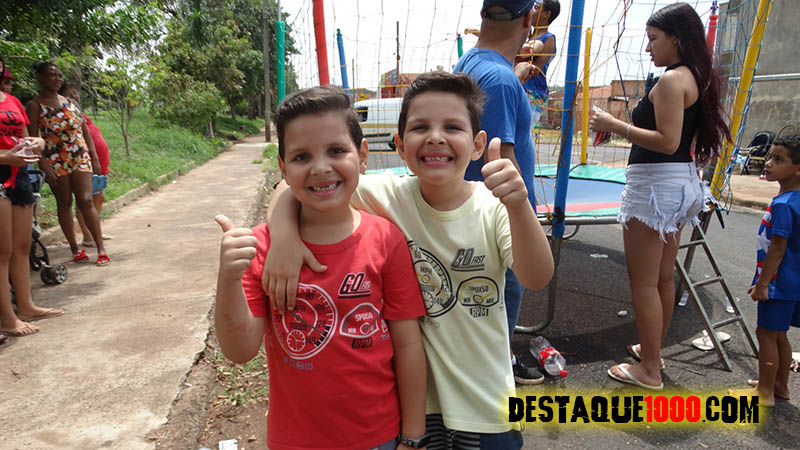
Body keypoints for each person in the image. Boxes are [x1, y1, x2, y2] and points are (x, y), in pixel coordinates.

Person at [264, 72, 553, 449]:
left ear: (478, 144)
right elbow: (288, 187)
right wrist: (284, 237)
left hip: (486, 406)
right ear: (400, 145)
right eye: (420, 127)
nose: (435, 137)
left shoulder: (493, 206)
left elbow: (537, 276)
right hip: (416, 408)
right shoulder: (389, 193)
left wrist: (519, 204)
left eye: (452, 127)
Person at [214, 85, 428, 450]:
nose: (320, 168)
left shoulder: (386, 239)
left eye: (336, 151)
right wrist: (229, 277)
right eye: (301, 157)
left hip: (378, 436)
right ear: (283, 168)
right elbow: (239, 351)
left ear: (362, 155)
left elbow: (407, 344)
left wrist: (413, 435)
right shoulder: (263, 248)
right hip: (295, 440)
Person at [590, 3, 730, 390]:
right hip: (679, 183)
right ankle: (652, 351)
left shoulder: (671, 80)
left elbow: (667, 141)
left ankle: (649, 369)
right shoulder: (694, 77)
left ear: (676, 39)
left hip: (656, 185)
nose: (648, 47)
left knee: (644, 282)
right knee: (663, 277)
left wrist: (614, 124)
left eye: (653, 39)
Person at [453, 0, 544, 385]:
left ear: (483, 15)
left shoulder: (470, 64)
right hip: (500, 224)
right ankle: (495, 381)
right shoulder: (500, 79)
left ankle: (497, 363)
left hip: (473, 218)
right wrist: (527, 220)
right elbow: (502, 160)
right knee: (497, 312)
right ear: (528, 20)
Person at [731, 133, 800, 407]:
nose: (769, 163)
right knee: (779, 334)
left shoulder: (784, 205)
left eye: (778, 160)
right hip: (788, 281)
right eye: (771, 157)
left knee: (766, 334)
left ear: (797, 169)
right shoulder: (792, 199)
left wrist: (763, 284)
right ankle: (778, 385)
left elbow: (777, 249)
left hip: (778, 283)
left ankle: (765, 393)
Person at [0, 56, 64, 339]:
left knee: (22, 247)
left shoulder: (12, 101)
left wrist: (37, 142)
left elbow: (26, 136)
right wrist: (6, 156)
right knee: (2, 252)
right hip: (2, 172)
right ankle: (8, 318)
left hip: (21, 174)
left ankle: (26, 306)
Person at [25, 62, 110, 266]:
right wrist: (43, 165)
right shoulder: (35, 105)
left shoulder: (71, 102)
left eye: (59, 75)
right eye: (51, 75)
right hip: (55, 160)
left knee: (86, 200)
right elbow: (32, 138)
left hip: (79, 156)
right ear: (40, 77)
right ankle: (75, 248)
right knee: (64, 203)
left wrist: (94, 157)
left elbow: (84, 130)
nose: (56, 79)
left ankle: (100, 248)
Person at [59, 82, 112, 248]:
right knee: (84, 201)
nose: (74, 97)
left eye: (75, 93)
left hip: (98, 165)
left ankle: (95, 230)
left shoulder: (80, 114)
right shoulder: (66, 117)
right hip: (82, 164)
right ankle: (88, 236)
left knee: (99, 197)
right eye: (69, 94)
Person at [521, 0, 559, 133]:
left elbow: (535, 71)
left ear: (546, 14)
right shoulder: (527, 35)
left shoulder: (548, 39)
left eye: (536, 8)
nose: (532, 10)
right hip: (520, 87)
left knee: (521, 132)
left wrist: (520, 54)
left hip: (533, 94)